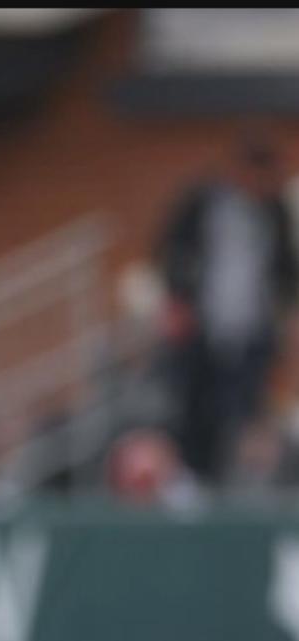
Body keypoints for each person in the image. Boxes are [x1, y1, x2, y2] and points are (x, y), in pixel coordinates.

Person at [157, 129, 299, 486]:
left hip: (252, 327)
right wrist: (178, 299)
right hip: (205, 323)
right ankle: (194, 477)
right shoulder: (204, 201)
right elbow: (172, 249)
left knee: (243, 408)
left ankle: (235, 480)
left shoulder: (273, 210)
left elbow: (285, 269)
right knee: (197, 403)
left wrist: (287, 315)